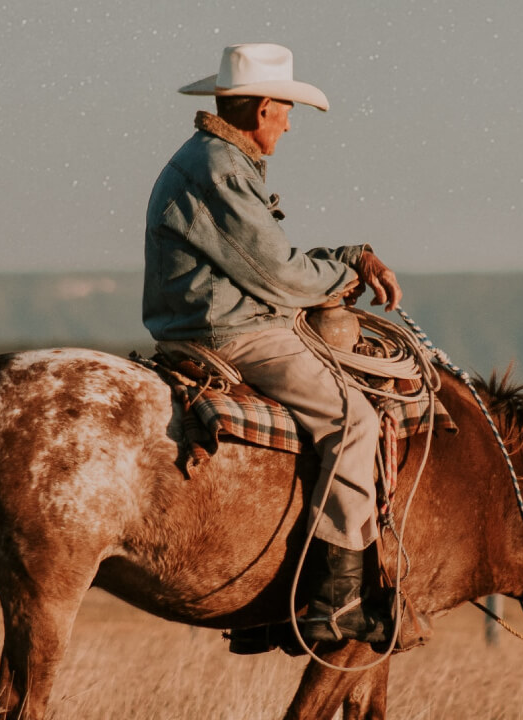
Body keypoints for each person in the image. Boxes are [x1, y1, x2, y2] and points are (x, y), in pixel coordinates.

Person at [143, 43, 404, 644]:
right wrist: (344, 277)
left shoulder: (210, 160)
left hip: (213, 321)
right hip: (234, 332)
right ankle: (336, 601)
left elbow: (262, 257)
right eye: (286, 111)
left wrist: (348, 258)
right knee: (355, 421)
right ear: (263, 109)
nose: (289, 124)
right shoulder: (221, 168)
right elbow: (278, 275)